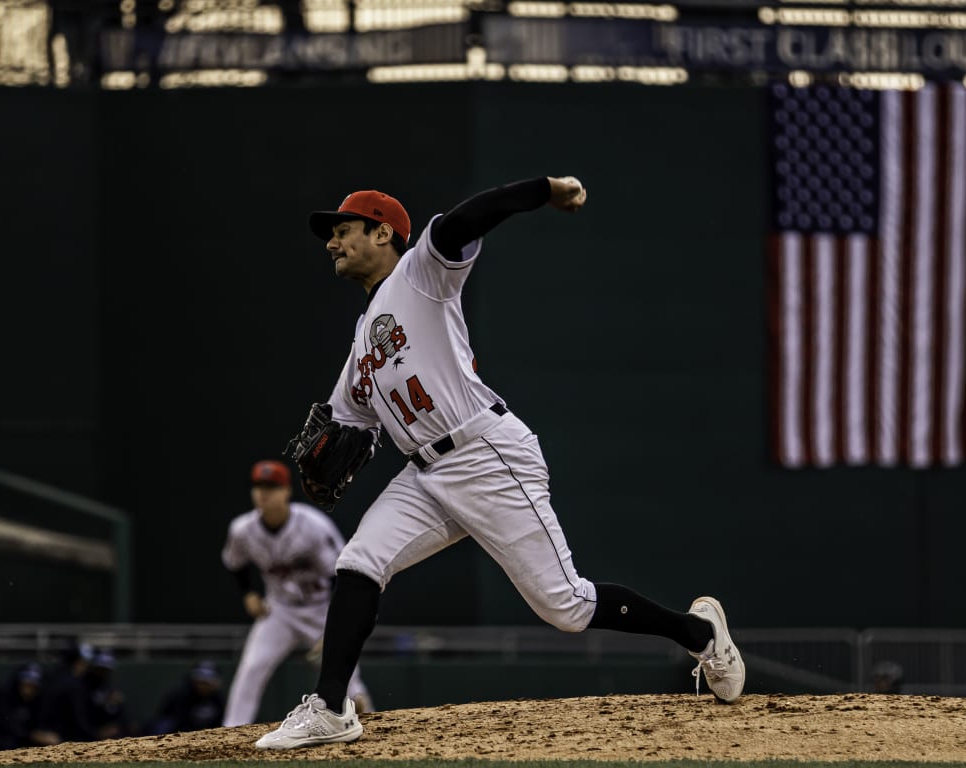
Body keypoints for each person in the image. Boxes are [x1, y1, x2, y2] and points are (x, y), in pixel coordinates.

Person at [252, 179, 745, 750]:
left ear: (382, 231)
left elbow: (464, 220)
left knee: (567, 606)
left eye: (343, 230)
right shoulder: (362, 337)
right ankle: (332, 708)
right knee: (360, 561)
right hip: (427, 474)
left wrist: (544, 190)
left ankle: (700, 633)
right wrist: (331, 446)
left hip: (485, 455)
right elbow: (344, 420)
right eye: (330, 236)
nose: (332, 243)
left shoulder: (419, 275)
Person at [221, 459, 371, 727]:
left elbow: (341, 573)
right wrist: (249, 594)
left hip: (321, 608)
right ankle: (229, 732)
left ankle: (370, 724)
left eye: (271, 486)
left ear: (286, 491)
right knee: (251, 668)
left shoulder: (313, 526)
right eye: (258, 486)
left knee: (350, 679)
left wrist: (337, 624)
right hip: (279, 610)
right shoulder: (242, 530)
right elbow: (236, 564)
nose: (264, 492)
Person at [0, 662, 58, 749]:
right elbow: (5, 726)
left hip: (2, 736)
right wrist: (33, 736)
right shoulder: (3, 693)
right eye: (25, 685)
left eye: (32, 686)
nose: (27, 690)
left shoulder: (37, 700)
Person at [38, 641, 96, 742]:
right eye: (83, 662)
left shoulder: (54, 676)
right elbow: (78, 720)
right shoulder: (72, 684)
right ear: (77, 663)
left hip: (47, 732)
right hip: (59, 738)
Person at [149, 660, 224, 734]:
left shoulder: (218, 699)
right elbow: (173, 721)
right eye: (200, 681)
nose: (202, 685)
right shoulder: (180, 696)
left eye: (206, 682)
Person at [83, 650, 129, 739]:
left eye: (106, 670)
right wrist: (96, 732)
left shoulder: (105, 685)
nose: (103, 673)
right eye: (100, 670)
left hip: (108, 729)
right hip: (89, 732)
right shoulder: (83, 685)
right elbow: (83, 715)